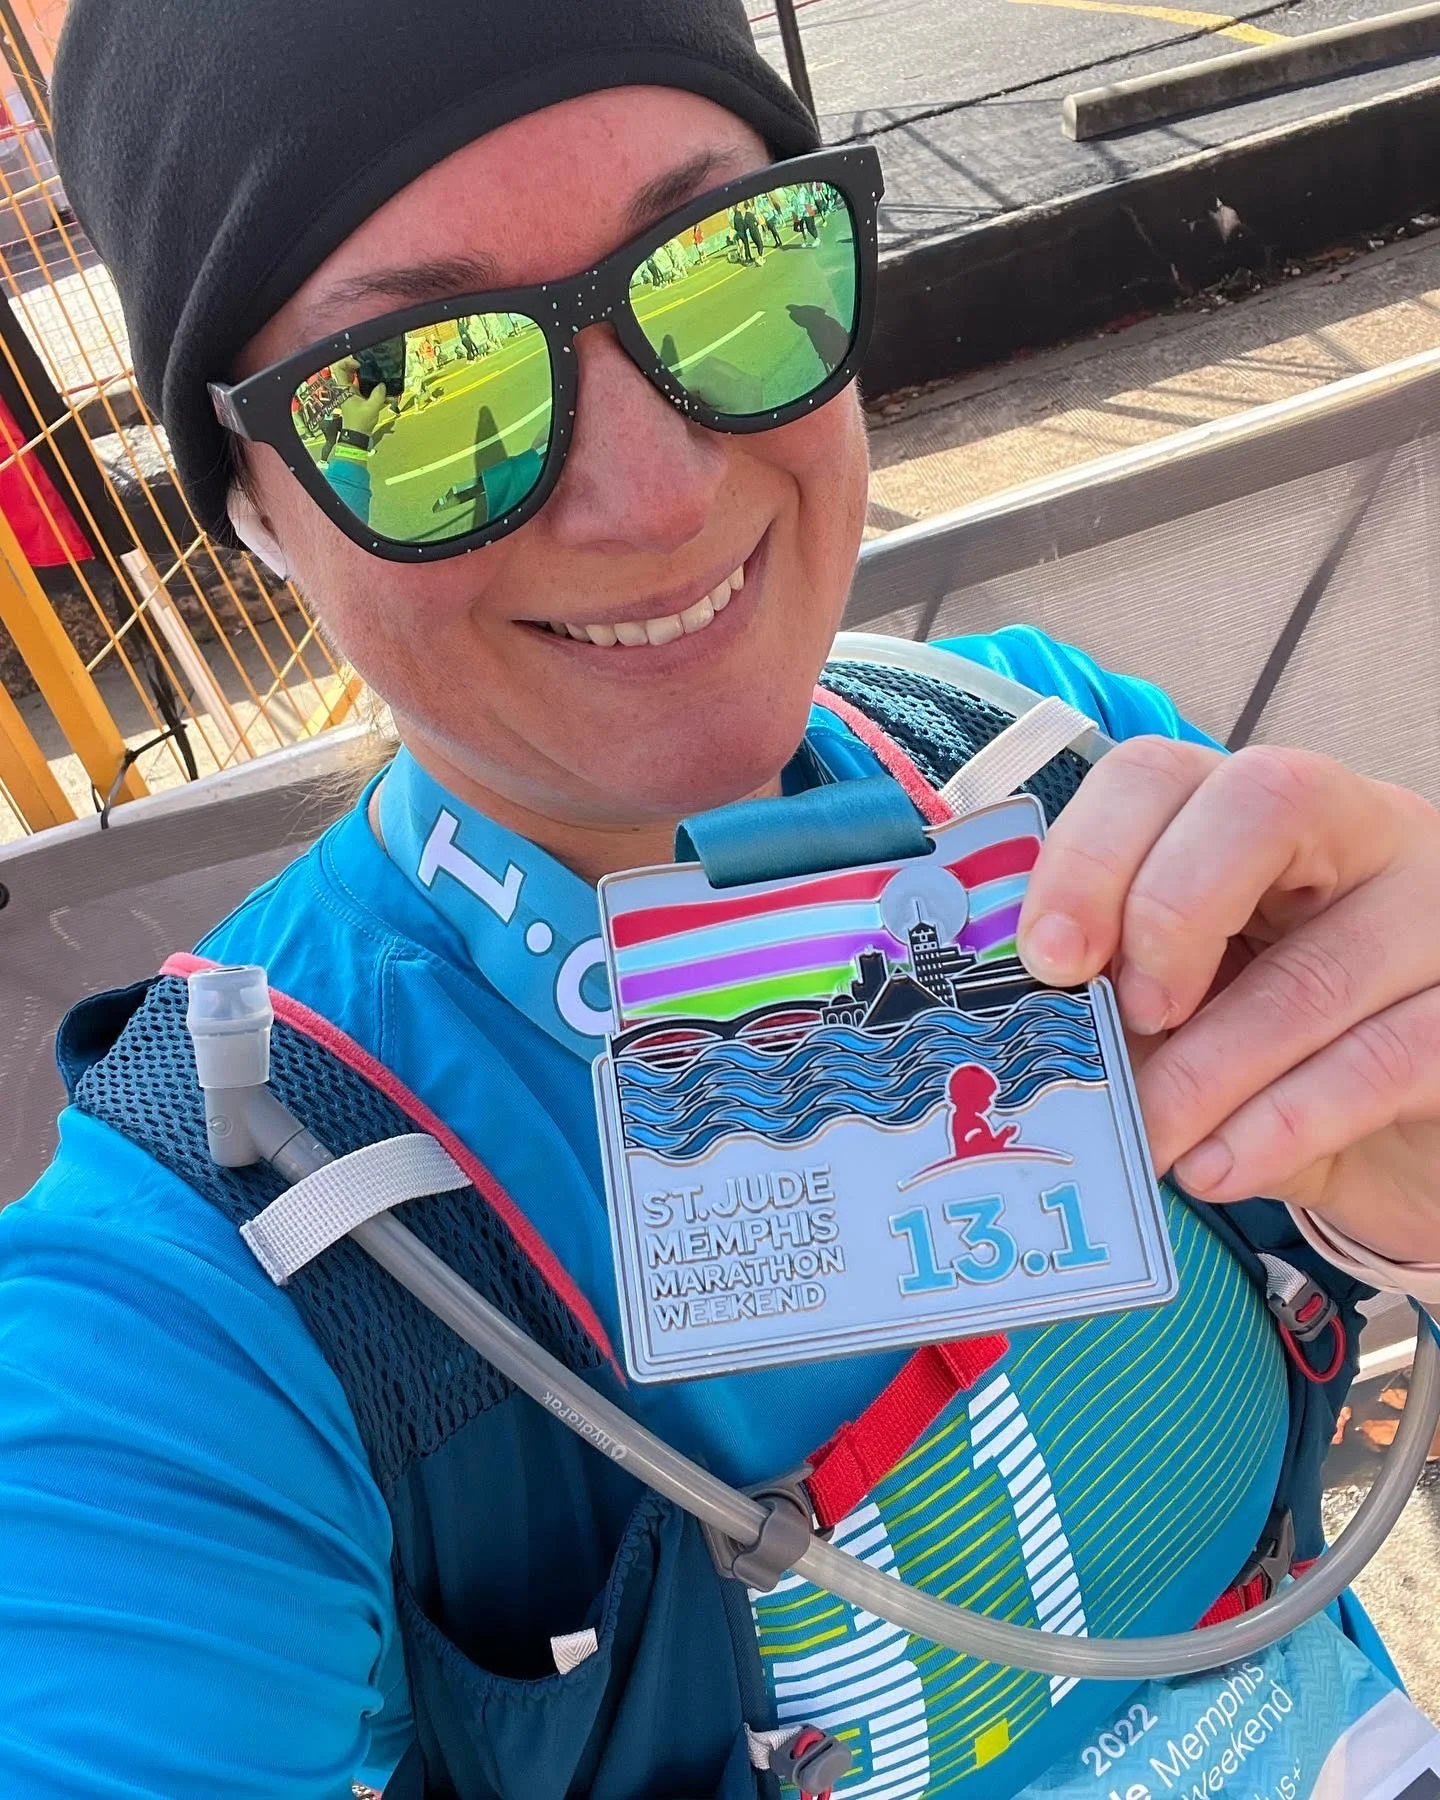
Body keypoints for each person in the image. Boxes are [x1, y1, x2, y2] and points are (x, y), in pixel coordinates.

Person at [4, 1, 1440, 1796]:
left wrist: (1412, 1202)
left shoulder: (1061, 770)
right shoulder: (205, 1289)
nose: (657, 495)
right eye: (418, 398)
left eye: (725, 268)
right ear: (256, 509)